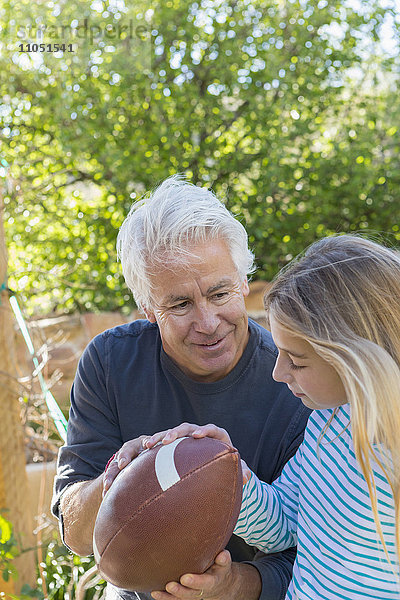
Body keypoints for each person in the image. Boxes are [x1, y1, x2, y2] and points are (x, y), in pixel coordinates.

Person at [51, 175, 310, 600]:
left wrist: (229, 588)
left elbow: (310, 556)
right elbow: (76, 534)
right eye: (180, 304)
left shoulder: (299, 383)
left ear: (245, 282)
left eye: (220, 292)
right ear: (149, 308)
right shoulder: (110, 361)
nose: (207, 323)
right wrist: (117, 477)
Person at [146, 234, 400, 599]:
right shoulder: (327, 422)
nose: (278, 373)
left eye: (296, 360)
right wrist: (229, 474)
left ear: (355, 358)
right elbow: (284, 526)